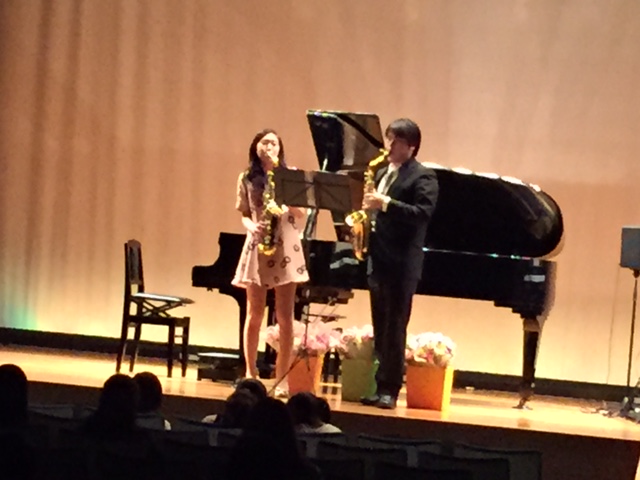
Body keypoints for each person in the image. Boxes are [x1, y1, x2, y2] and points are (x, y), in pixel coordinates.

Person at [360, 118, 439, 409]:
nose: (389, 146)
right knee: (381, 327)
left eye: (397, 141)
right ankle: (379, 385)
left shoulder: (424, 176)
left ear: (412, 146)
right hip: (379, 259)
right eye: (388, 138)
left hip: (401, 263)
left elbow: (422, 213)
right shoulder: (382, 172)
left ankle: (390, 390)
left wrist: (385, 203)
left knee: (395, 328)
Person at [232, 129, 309, 396]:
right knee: (254, 313)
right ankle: (250, 373)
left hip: (285, 245)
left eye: (274, 143)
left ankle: (282, 379)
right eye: (264, 142)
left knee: (285, 316)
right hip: (258, 243)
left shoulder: (291, 174)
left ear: (280, 148)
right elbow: (244, 213)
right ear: (256, 147)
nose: (269, 146)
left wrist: (287, 203)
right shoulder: (246, 177)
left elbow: (302, 213)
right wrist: (251, 226)